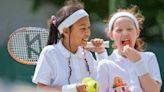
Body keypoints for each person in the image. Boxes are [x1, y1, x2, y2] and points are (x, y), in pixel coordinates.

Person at [32, 0, 107, 92]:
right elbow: (41, 89)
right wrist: (74, 89)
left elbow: (104, 82)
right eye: (82, 28)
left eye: (88, 27)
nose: (87, 33)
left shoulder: (87, 54)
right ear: (66, 31)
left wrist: (100, 52)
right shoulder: (50, 52)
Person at [96, 5, 162, 92]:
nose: (125, 33)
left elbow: (154, 90)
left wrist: (139, 62)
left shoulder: (149, 57)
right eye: (119, 30)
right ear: (111, 35)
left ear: (137, 32)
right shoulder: (105, 64)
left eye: (129, 29)